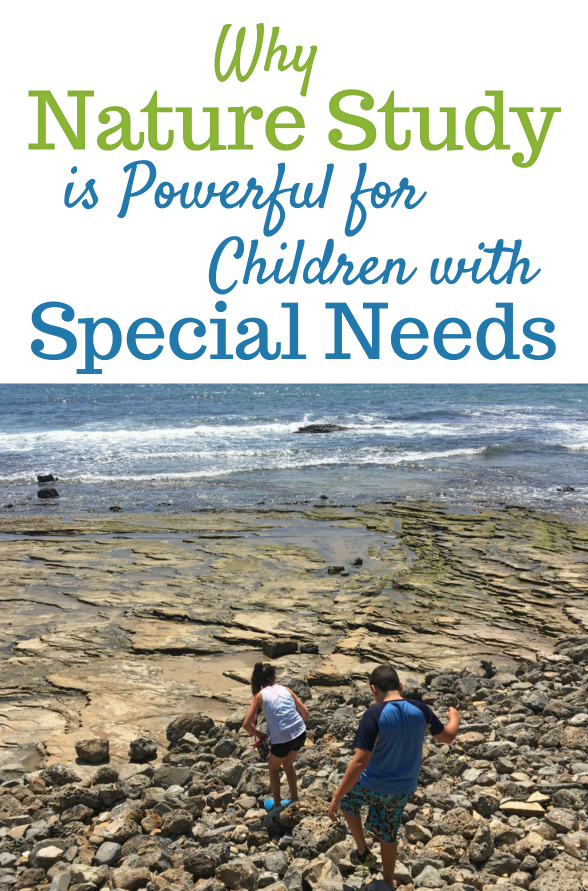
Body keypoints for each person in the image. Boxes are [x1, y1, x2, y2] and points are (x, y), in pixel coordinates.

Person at [328, 664, 460, 889]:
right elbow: (447, 737)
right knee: (389, 831)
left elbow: (360, 761)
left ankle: (362, 851)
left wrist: (337, 796)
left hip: (372, 783)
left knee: (348, 800)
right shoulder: (421, 710)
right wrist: (454, 717)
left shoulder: (374, 714)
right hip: (403, 789)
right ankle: (388, 882)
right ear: (400, 686)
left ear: (373, 690)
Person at [242, 662, 309, 811]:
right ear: (274, 677)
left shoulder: (259, 696)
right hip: (300, 734)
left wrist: (260, 734)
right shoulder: (286, 689)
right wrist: (292, 724)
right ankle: (294, 799)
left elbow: (246, 724)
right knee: (287, 764)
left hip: (282, 741)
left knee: (273, 768)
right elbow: (305, 713)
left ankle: (277, 805)